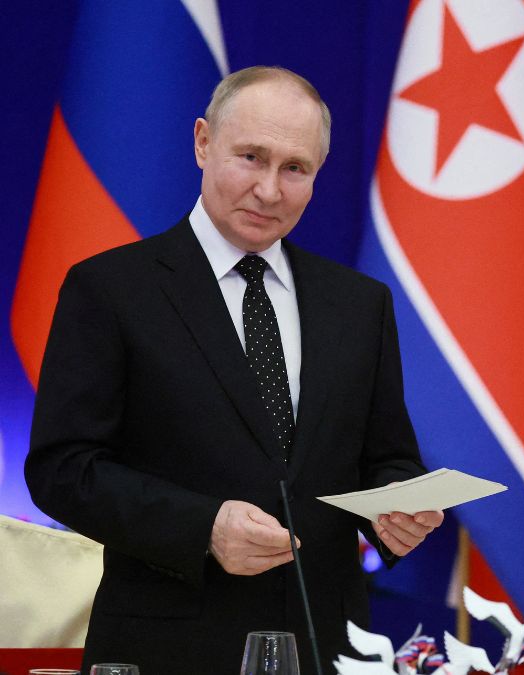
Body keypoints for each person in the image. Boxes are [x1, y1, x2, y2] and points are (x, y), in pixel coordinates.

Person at [25, 66, 444, 673]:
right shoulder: (111, 289)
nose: (269, 190)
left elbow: (388, 457)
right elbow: (63, 470)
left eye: (294, 168)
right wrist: (204, 527)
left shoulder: (359, 304)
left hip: (326, 644)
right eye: (251, 157)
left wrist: (399, 509)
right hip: (168, 651)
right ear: (203, 142)